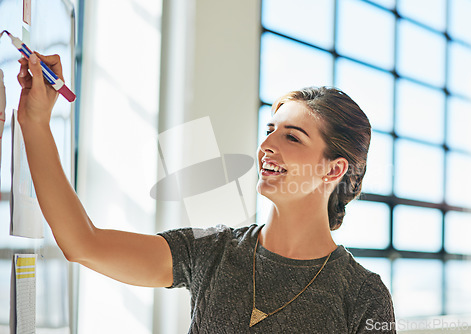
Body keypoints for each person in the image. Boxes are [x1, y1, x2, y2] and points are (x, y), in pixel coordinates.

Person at [17, 52, 396, 333]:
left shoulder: (363, 293)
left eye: (292, 136)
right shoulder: (211, 251)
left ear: (334, 169)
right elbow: (83, 244)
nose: (267, 144)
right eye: (270, 129)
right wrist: (35, 122)